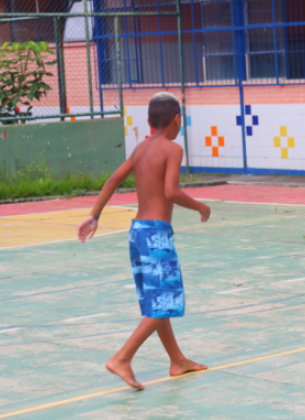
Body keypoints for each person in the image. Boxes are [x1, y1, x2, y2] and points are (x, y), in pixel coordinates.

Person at [77, 92, 211, 390]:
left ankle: (177, 360)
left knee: (156, 299)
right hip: (156, 234)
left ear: (149, 121)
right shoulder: (172, 149)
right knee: (166, 300)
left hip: (137, 231)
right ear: (177, 120)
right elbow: (171, 192)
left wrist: (94, 216)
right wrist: (202, 207)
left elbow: (112, 180)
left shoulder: (140, 148)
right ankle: (123, 357)